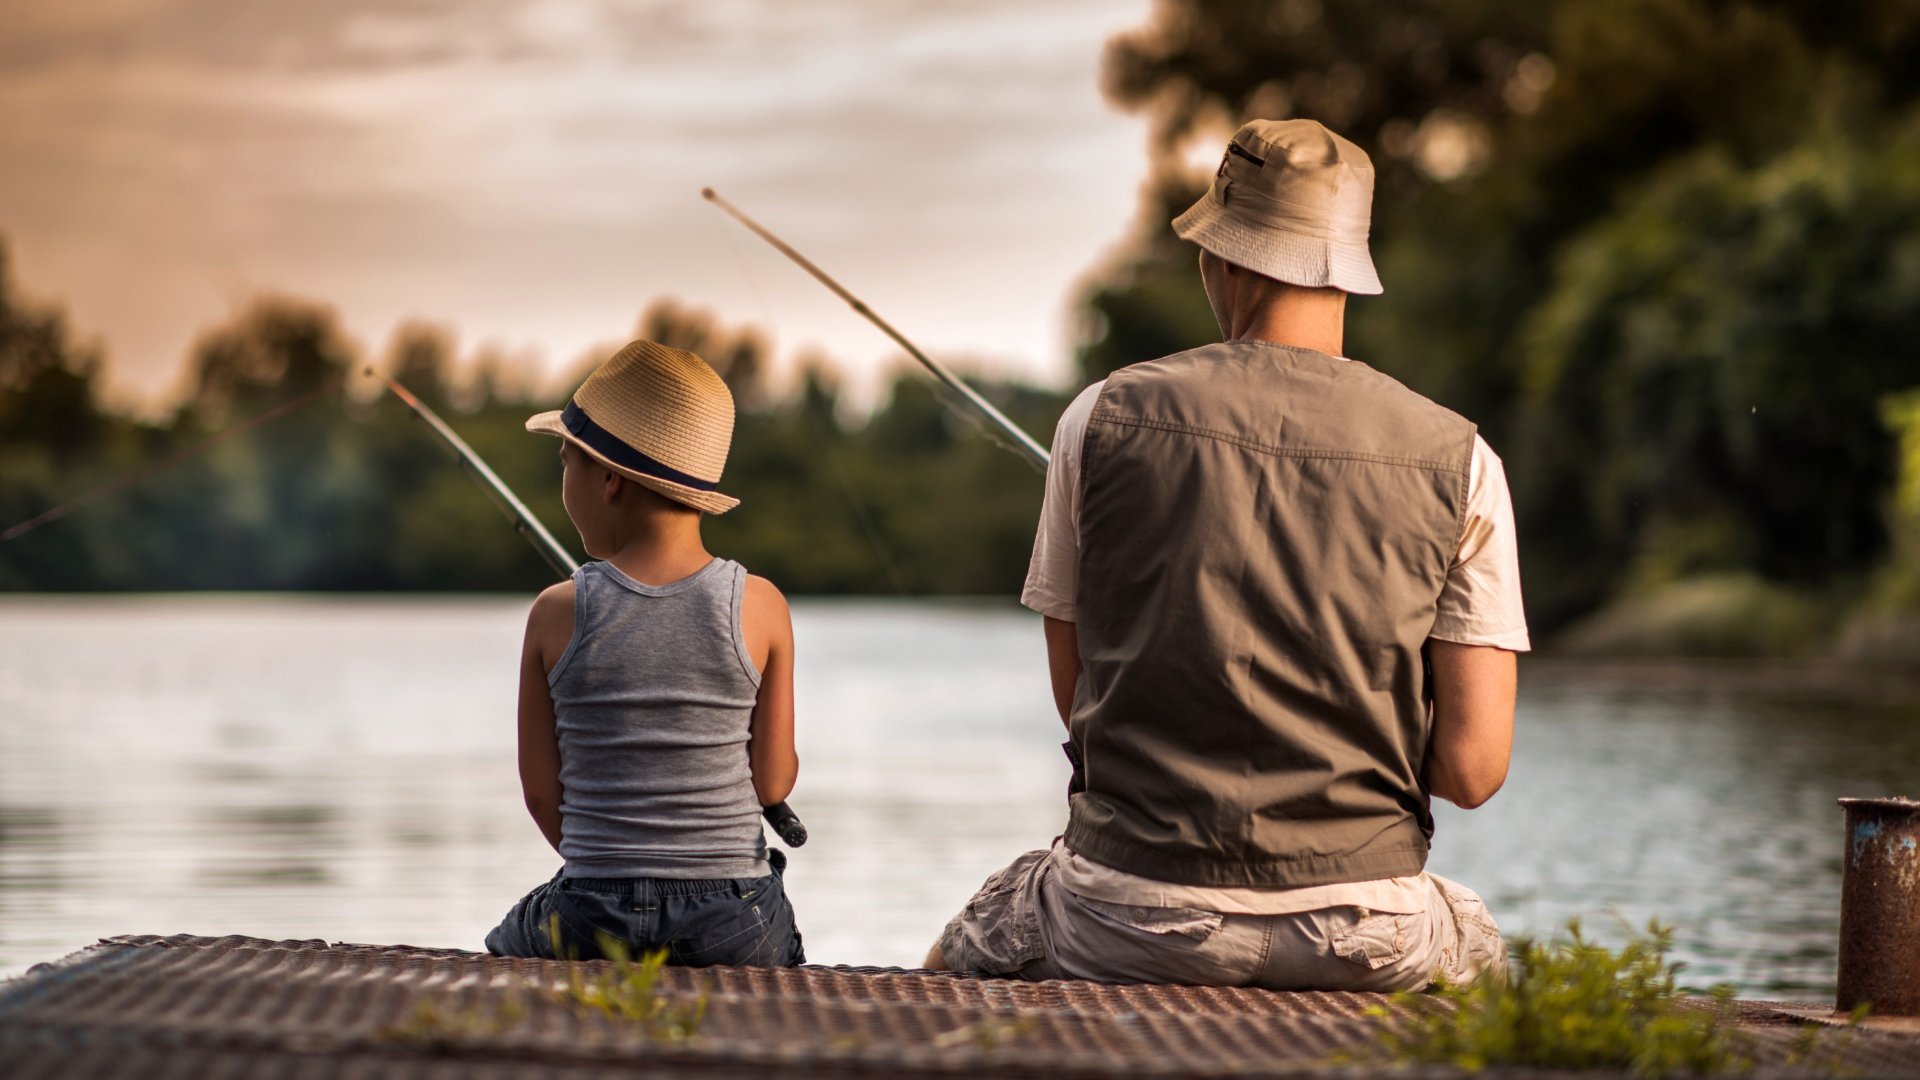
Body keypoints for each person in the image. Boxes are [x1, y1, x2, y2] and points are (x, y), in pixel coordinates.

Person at [928, 119, 1528, 991]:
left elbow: (1078, 701)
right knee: (1495, 970)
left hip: (1125, 915)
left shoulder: (1095, 419)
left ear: (1226, 256)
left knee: (947, 958)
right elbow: (1472, 772)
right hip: (1368, 931)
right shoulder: (1463, 459)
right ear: (1347, 272)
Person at [485, 339, 804, 966]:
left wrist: (611, 875)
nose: (563, 480)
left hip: (589, 909)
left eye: (565, 461)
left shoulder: (555, 611)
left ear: (607, 479)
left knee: (507, 941)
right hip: (733, 915)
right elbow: (772, 780)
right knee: (774, 935)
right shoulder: (762, 605)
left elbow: (542, 795)